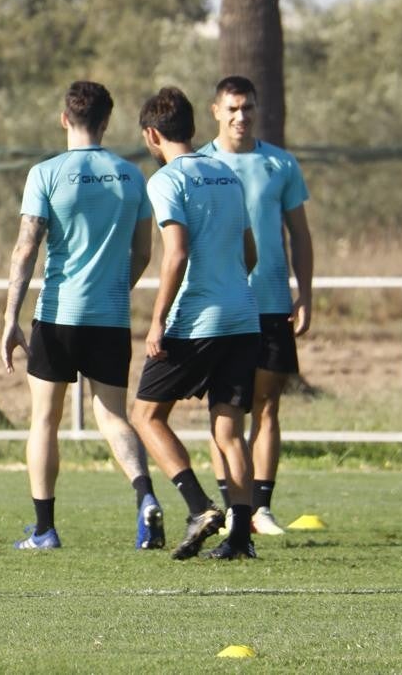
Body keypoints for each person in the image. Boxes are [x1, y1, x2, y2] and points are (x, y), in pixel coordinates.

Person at [0, 81, 161, 551]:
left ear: (64, 118)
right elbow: (144, 252)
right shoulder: (132, 176)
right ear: (107, 121)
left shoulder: (46, 173)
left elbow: (26, 247)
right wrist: (112, 288)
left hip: (56, 315)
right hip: (110, 318)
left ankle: (45, 529)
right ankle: (146, 497)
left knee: (44, 421)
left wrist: (11, 316)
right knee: (113, 416)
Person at [129, 86, 261, 560]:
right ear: (194, 127)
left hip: (196, 320)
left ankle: (198, 504)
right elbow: (250, 253)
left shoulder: (166, 180)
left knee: (145, 415)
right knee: (229, 431)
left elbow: (176, 253)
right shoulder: (227, 174)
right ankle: (241, 538)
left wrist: (158, 320)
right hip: (243, 317)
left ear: (151, 134)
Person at [197, 75, 313, 536]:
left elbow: (300, 235)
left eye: (248, 108)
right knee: (224, 410)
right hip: (219, 307)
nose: (240, 117)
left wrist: (304, 291)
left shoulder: (280, 164)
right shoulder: (198, 165)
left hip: (270, 304)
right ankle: (231, 508)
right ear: (216, 111)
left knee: (267, 406)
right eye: (232, 109)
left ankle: (261, 508)